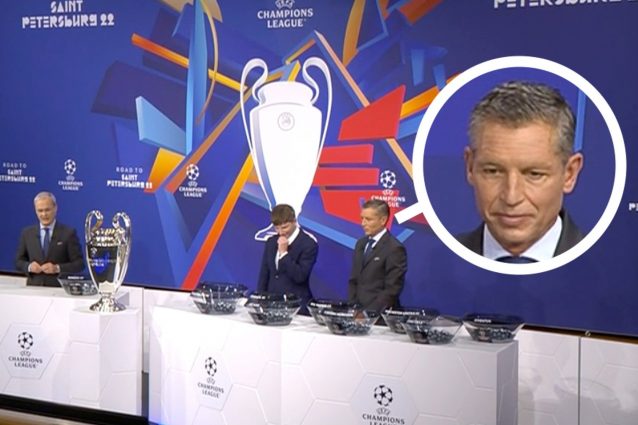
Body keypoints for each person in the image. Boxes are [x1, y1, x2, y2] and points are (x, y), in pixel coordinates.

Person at [458, 81, 584, 263]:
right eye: (493, 171)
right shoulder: (433, 266)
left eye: (534, 174)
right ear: (470, 166)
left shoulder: (613, 267)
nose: (511, 198)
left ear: (569, 174)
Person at [257, 204, 318, 314]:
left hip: (297, 307)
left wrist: (284, 254)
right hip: (272, 305)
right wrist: (260, 300)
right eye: (277, 228)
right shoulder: (271, 242)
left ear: (294, 221)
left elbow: (300, 276)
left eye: (285, 227)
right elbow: (264, 274)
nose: (281, 232)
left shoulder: (308, 244)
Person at [348, 199, 407, 311]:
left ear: (383, 220)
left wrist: (368, 313)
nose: (363, 223)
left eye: (368, 219)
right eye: (362, 218)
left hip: (381, 315)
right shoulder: (360, 244)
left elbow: (392, 289)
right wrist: (352, 308)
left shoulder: (394, 248)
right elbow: (354, 279)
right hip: (357, 312)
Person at [15, 191, 84, 286]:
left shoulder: (68, 233)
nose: (44, 214)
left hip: (58, 289)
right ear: (35, 211)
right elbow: (18, 261)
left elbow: (79, 264)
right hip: (34, 288)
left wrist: (57, 268)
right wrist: (29, 267)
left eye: (47, 210)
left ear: (55, 208)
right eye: (40, 211)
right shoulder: (27, 233)